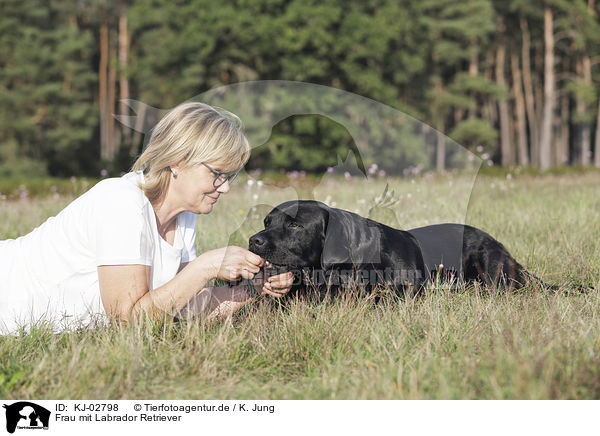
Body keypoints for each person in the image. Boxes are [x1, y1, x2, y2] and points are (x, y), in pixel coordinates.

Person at [0, 102, 294, 334]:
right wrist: (204, 267)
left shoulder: (184, 217)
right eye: (217, 174)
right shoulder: (121, 201)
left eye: (229, 176)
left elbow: (182, 309)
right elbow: (128, 322)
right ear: (177, 162)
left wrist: (253, 288)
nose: (226, 187)